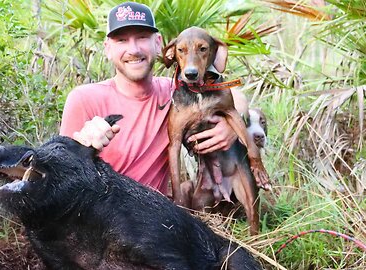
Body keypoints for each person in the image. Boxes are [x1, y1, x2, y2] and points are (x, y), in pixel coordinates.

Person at [59, 1, 247, 196]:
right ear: (108, 48)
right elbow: (62, 172)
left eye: (141, 38)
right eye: (121, 40)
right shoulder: (83, 98)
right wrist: (82, 147)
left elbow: (237, 98)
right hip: (102, 211)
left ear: (158, 44)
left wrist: (230, 126)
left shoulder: (176, 92)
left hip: (155, 215)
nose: (133, 49)